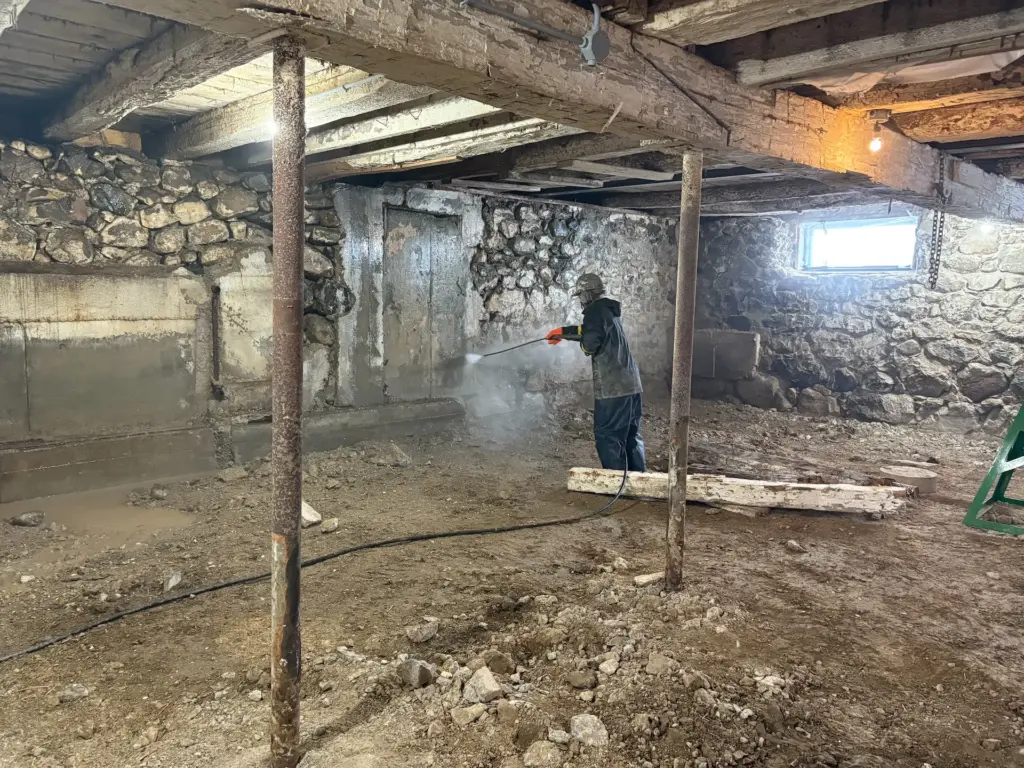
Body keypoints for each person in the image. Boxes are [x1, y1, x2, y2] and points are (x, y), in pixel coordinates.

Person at [547, 273, 646, 472]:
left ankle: (617, 481)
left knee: (607, 434)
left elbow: (590, 343)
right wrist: (564, 332)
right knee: (630, 435)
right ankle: (639, 479)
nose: (581, 300)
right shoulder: (608, 311)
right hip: (631, 385)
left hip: (612, 388)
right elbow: (592, 330)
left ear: (587, 294)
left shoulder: (594, 311)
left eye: (581, 295)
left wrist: (584, 347)